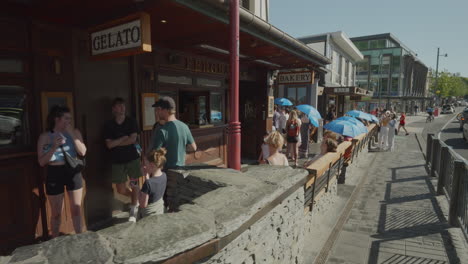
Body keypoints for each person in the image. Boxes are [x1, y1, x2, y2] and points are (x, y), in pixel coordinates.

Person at [37, 105, 87, 237]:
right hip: (55, 172)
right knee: (56, 213)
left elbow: (82, 151)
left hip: (73, 172)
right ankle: (55, 240)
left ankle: (80, 237)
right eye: (66, 119)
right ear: (56, 119)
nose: (69, 121)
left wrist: (71, 134)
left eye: (70, 119)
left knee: (76, 209)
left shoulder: (75, 132)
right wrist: (54, 147)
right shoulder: (45, 136)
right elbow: (41, 162)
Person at [150, 96, 197, 211]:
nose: (157, 112)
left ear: (165, 110)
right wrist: (180, 149)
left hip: (166, 174)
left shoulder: (162, 130)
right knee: (178, 204)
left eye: (158, 109)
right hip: (181, 172)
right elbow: (193, 147)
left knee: (164, 205)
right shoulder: (184, 126)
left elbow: (154, 156)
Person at [104, 97, 142, 222]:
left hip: (132, 159)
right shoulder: (109, 125)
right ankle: (137, 199)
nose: (122, 108)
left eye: (123, 105)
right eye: (119, 106)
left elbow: (132, 139)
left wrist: (116, 142)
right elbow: (108, 145)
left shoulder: (131, 121)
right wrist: (122, 139)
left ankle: (133, 210)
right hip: (117, 161)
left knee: (134, 183)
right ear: (113, 109)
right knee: (120, 189)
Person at [139, 148, 167, 218]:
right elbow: (152, 189)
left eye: (145, 164)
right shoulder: (164, 175)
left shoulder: (148, 183)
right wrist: (146, 176)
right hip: (160, 210)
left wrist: (137, 190)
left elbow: (143, 205)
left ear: (151, 165)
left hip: (149, 216)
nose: (144, 166)